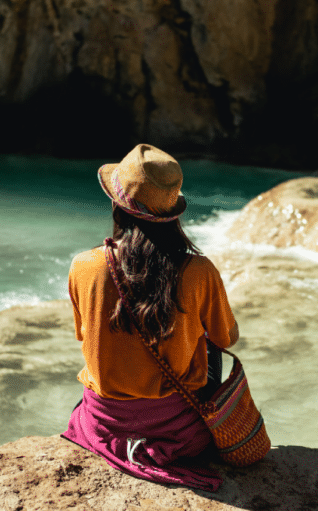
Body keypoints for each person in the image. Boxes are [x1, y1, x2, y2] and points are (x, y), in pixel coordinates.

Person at [61, 144, 239, 491]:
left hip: (103, 424)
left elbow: (84, 334)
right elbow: (226, 339)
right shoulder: (199, 271)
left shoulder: (85, 265)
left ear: (118, 205)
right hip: (179, 431)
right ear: (173, 213)